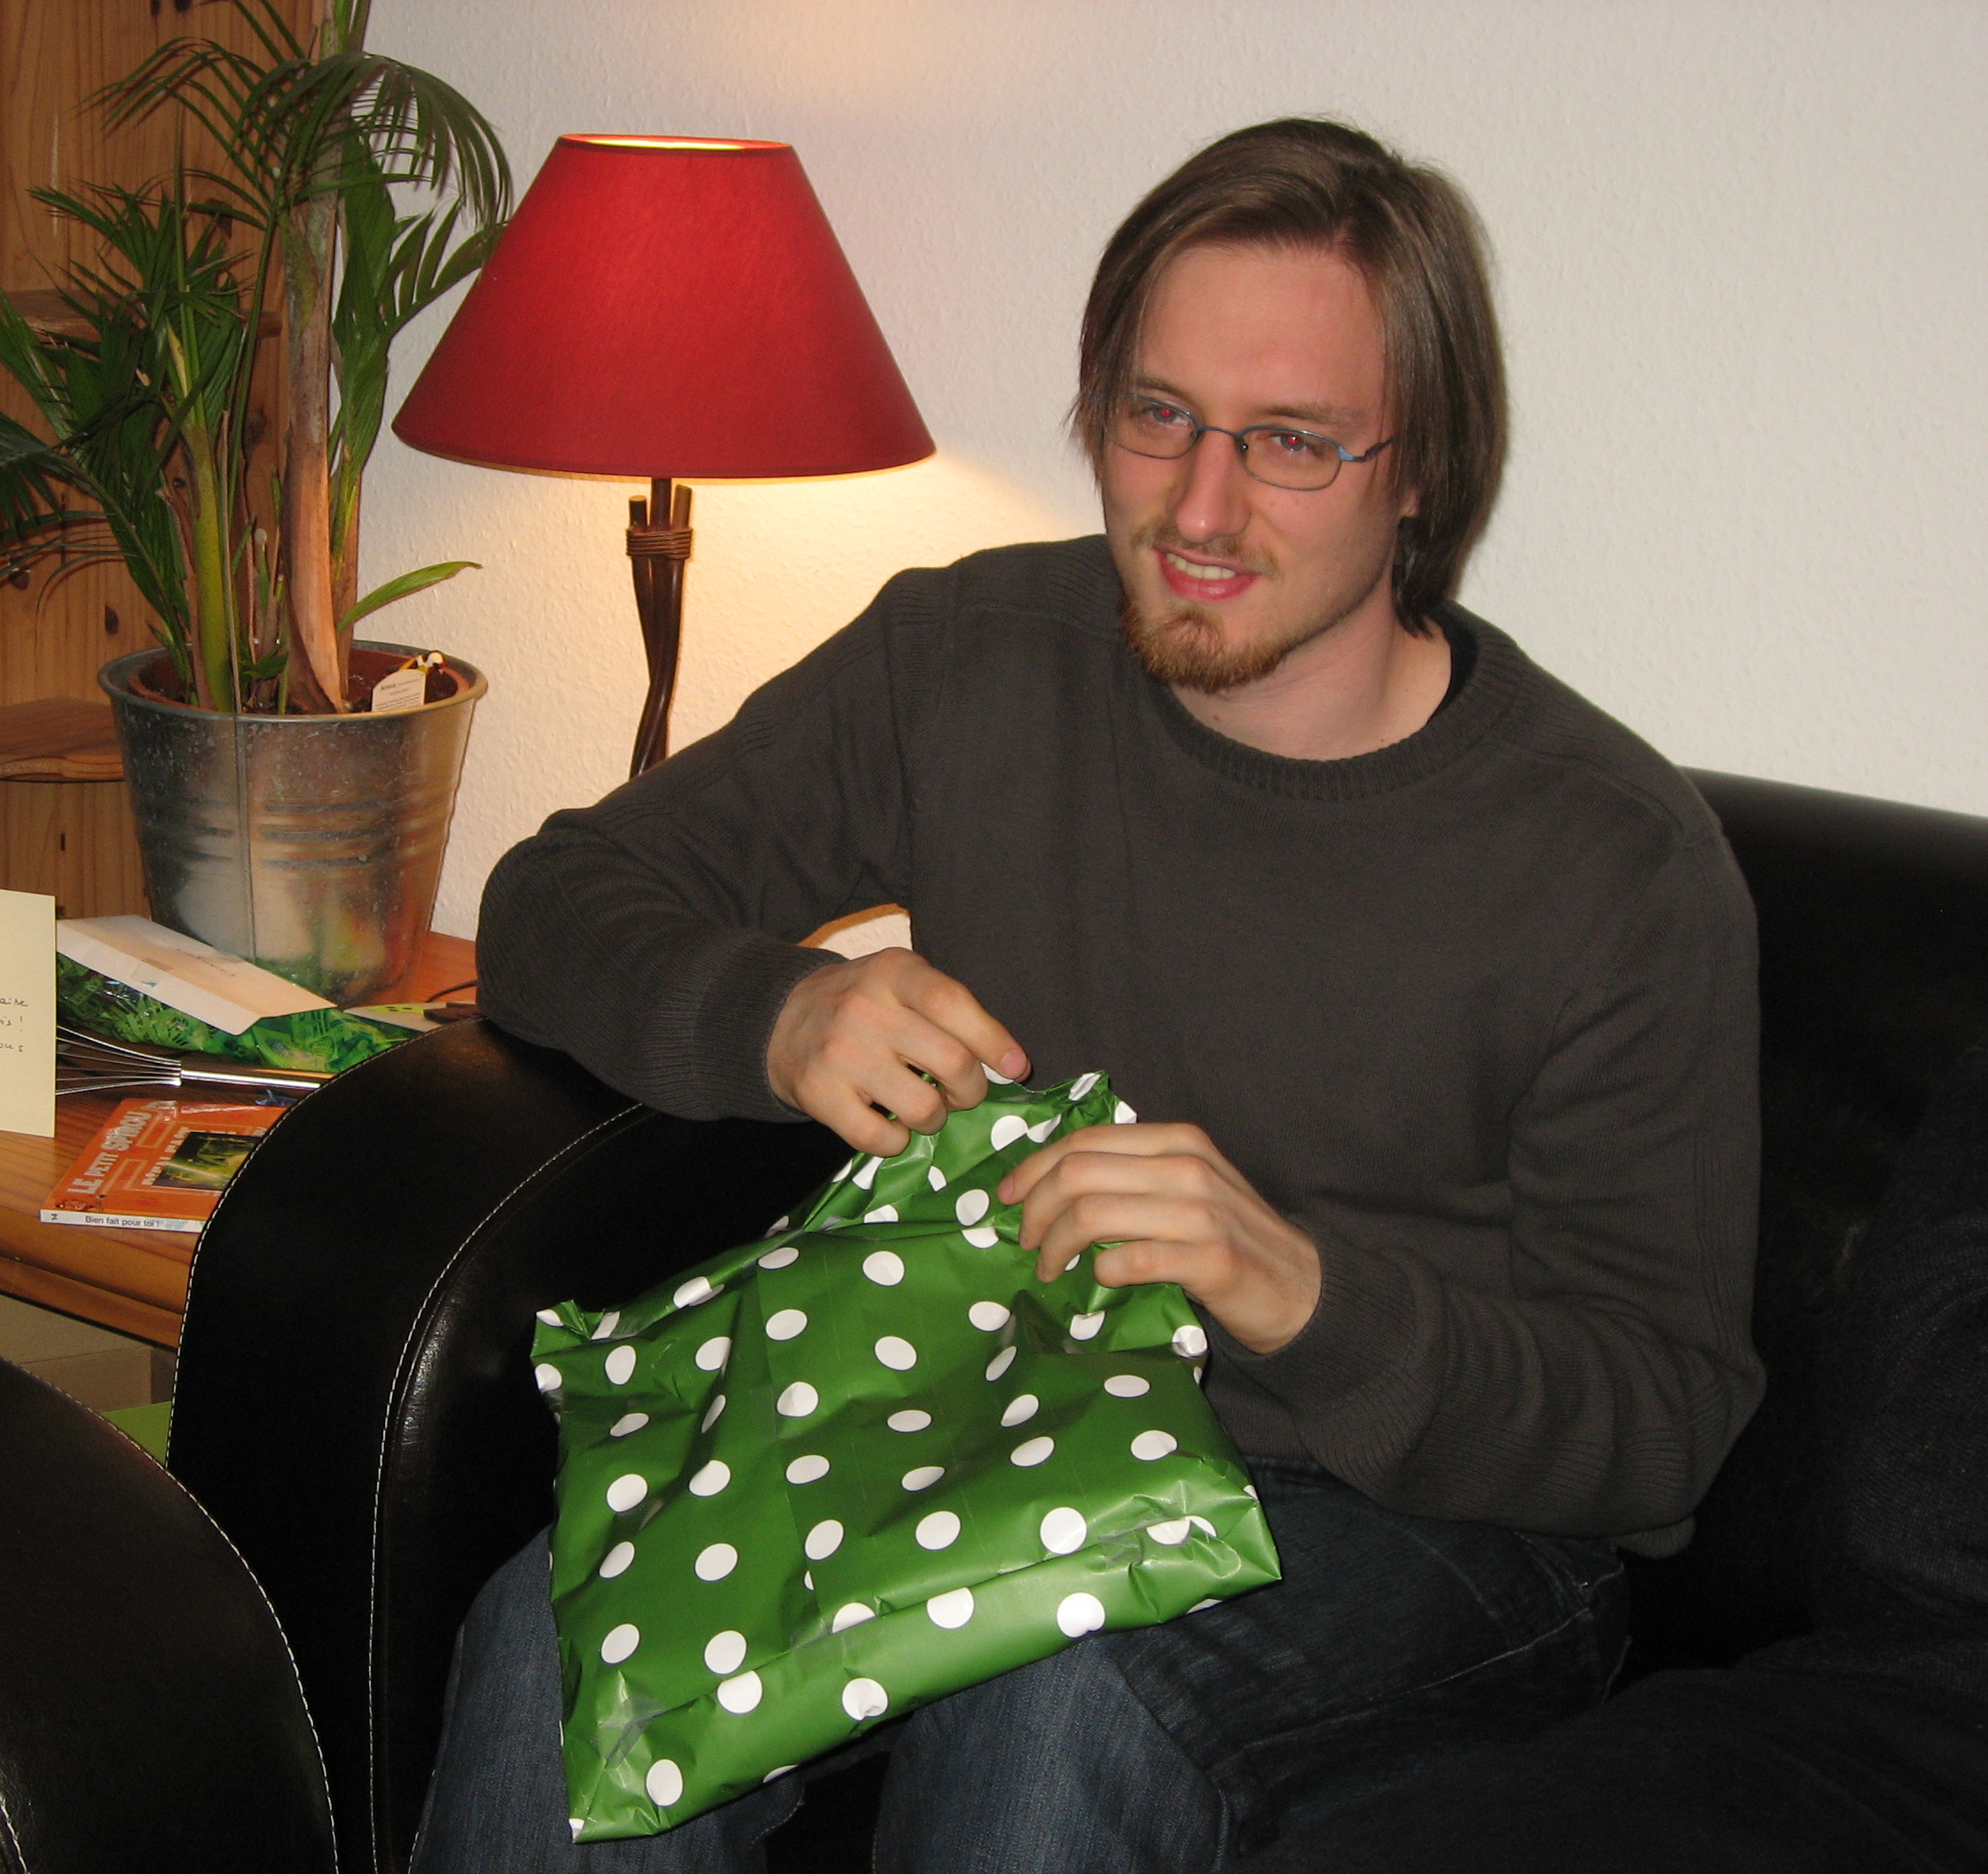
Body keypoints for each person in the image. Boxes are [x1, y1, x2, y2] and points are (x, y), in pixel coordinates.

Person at [413, 118, 1764, 1871]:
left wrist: (1299, 1287)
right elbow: (552, 902)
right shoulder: (971, 657)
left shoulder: (1611, 863)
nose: (1197, 509)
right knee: (569, 1638)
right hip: (985, 1408)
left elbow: (1657, 1424)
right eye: (1156, 416)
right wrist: (777, 1013)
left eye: (1290, 442)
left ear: (1420, 470)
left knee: (1060, 1692)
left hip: (1421, 1516)